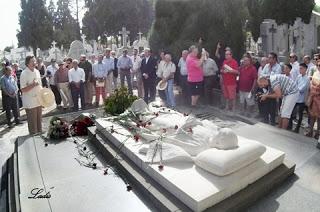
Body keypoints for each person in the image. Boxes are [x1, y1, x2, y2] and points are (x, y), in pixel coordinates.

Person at [20, 56, 42, 135]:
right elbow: (23, 89)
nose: (34, 63)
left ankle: (39, 135)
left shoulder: (37, 71)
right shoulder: (24, 73)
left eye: (35, 61)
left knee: (39, 120)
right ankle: (33, 137)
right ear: (27, 63)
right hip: (30, 102)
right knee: (32, 122)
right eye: (32, 61)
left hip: (38, 100)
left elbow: (39, 85)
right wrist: (33, 84)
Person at [259, 52, 282, 125]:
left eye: (270, 58)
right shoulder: (267, 66)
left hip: (274, 89)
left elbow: (275, 77)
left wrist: (267, 76)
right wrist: (268, 76)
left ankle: (272, 122)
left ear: (274, 59)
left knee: (272, 107)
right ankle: (265, 121)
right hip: (266, 88)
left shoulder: (278, 67)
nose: (268, 59)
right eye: (268, 57)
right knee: (265, 105)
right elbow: (262, 75)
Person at [288, 63, 310, 133]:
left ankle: (297, 128)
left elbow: (302, 89)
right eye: (299, 68)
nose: (300, 70)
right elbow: (294, 84)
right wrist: (295, 88)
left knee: (300, 115)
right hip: (295, 98)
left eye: (301, 68)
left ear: (305, 69)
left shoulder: (307, 79)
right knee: (291, 112)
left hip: (302, 99)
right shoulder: (298, 76)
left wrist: (296, 88)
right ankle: (290, 125)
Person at [306, 61, 320, 139]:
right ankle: (310, 131)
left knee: (319, 117)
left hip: (318, 97)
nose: (318, 66)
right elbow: (311, 84)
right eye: (317, 65)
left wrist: (315, 87)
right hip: (313, 97)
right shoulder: (315, 73)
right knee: (312, 116)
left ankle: (317, 132)